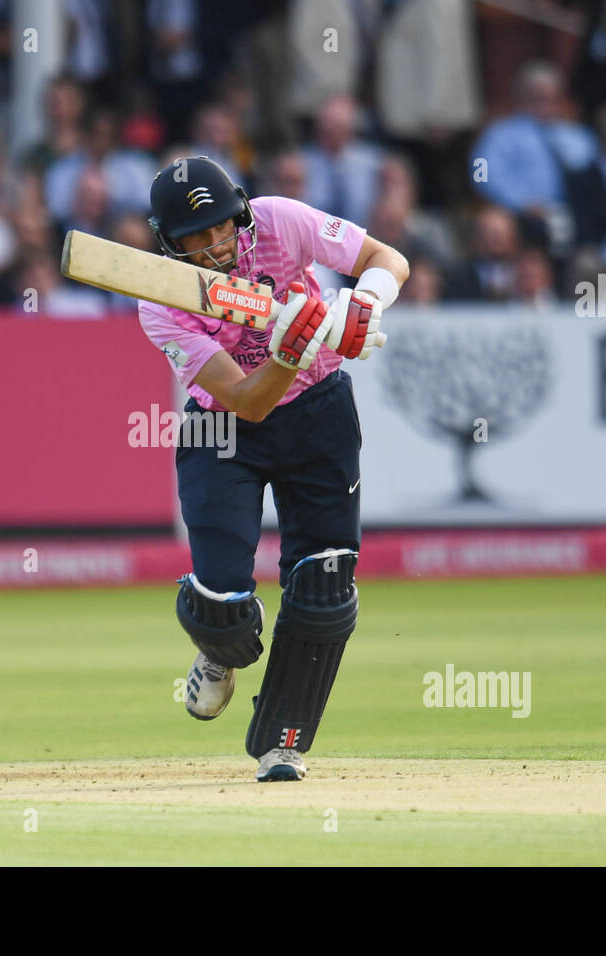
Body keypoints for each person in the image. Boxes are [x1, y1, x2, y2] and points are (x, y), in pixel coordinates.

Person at [137, 156, 407, 781]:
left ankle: (282, 741)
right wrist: (292, 346)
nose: (213, 250)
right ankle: (217, 648)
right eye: (193, 241)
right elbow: (248, 400)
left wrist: (362, 303)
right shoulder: (159, 303)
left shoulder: (281, 222)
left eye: (221, 230)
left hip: (319, 410)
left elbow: (389, 258)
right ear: (168, 245)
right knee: (223, 603)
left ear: (240, 214)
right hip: (224, 426)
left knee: (324, 583)